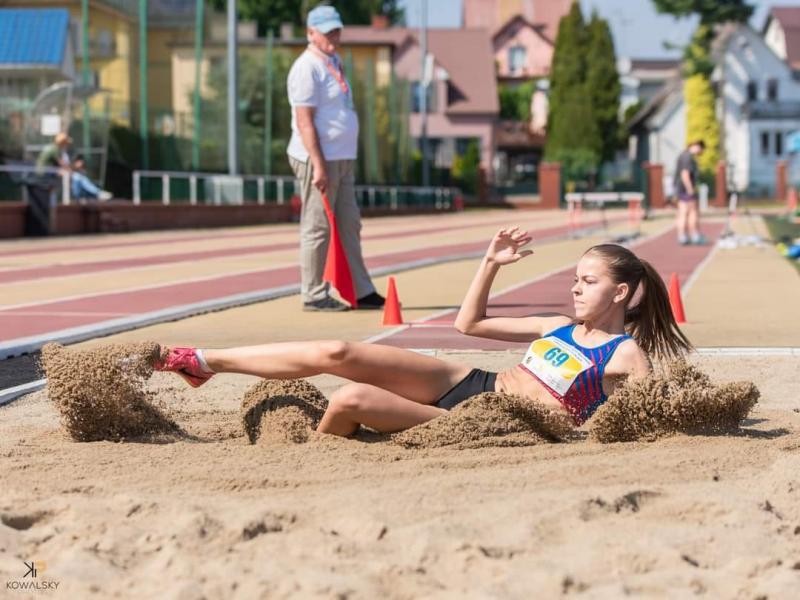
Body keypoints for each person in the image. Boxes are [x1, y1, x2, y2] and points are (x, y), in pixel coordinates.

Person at [155, 227, 693, 436]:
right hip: (475, 384)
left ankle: (312, 458)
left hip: (493, 423)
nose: (575, 289)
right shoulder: (557, 326)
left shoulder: (627, 357)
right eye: (574, 278)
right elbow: (469, 324)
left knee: (348, 399)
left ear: (620, 293)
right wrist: (490, 263)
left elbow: (650, 418)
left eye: (588, 281)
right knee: (338, 349)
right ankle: (203, 362)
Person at [286, 5, 384, 312]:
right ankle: (313, 293)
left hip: (341, 158)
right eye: (327, 31)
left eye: (336, 30)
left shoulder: (333, 61)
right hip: (319, 160)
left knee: (349, 224)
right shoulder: (306, 68)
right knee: (317, 227)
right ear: (311, 33)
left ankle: (360, 289)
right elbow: (304, 121)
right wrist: (318, 164)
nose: (334, 36)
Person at [36, 133, 112, 202]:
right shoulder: (54, 149)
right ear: (62, 143)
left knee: (77, 177)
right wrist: (75, 167)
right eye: (66, 143)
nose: (68, 145)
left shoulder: (55, 149)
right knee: (76, 177)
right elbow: (64, 165)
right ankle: (83, 197)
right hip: (46, 173)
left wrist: (74, 169)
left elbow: (63, 166)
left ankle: (85, 196)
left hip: (50, 171)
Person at [673, 140, 706, 245]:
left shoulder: (683, 155)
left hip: (680, 188)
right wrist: (690, 189)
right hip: (686, 189)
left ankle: (683, 236)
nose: (701, 152)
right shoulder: (688, 157)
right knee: (692, 212)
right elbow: (685, 174)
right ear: (697, 146)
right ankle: (694, 235)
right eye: (701, 149)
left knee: (683, 212)